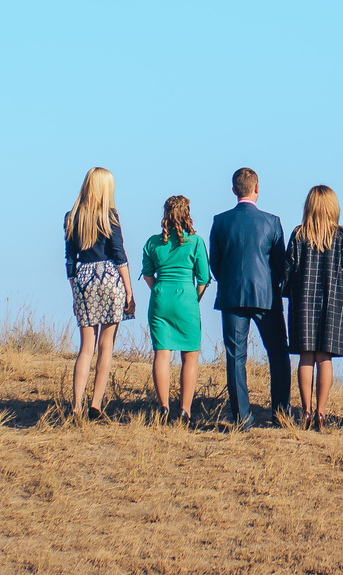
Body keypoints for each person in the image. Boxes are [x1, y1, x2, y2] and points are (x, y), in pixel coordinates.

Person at [208, 170, 288, 430]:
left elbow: (215, 264)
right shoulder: (272, 222)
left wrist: (229, 280)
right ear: (256, 187)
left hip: (231, 294)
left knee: (235, 357)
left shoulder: (220, 222)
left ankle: (242, 417)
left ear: (234, 190)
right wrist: (270, 283)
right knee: (278, 354)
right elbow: (279, 264)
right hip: (266, 295)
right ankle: (280, 413)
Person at [63, 166, 135, 422]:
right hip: (109, 278)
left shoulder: (72, 217)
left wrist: (75, 293)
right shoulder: (110, 216)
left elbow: (70, 261)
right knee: (106, 346)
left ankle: (75, 406)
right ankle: (96, 405)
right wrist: (129, 291)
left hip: (84, 279)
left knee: (86, 348)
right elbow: (119, 255)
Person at [283, 185, 343, 432]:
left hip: (303, 303)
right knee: (325, 359)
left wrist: (288, 292)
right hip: (334, 303)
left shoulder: (299, 235)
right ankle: (322, 414)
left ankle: (305, 411)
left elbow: (287, 271)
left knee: (306, 357)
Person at [140, 195, 211, 426]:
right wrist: (193, 299)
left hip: (161, 298)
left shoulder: (152, 242)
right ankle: (185, 410)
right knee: (189, 356)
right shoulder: (196, 242)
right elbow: (203, 279)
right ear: (187, 213)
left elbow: (148, 275)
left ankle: (163, 406)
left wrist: (159, 290)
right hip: (186, 299)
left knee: (162, 353)